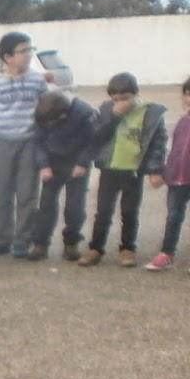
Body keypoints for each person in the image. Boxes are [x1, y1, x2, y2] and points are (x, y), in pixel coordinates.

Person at [79, 73, 168, 269]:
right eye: (116, 99)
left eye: (125, 98)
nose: (120, 103)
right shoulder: (106, 109)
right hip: (110, 168)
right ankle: (96, 248)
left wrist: (155, 169)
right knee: (103, 211)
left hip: (133, 171)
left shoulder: (150, 112)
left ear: (135, 94)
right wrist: (114, 116)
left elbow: (158, 143)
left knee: (129, 211)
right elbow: (97, 136)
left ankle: (127, 248)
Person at [0, 32, 47, 258]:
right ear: (7, 57)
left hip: (30, 142)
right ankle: (1, 239)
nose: (28, 55)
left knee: (27, 193)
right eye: (23, 51)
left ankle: (22, 240)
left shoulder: (37, 80)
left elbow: (45, 108)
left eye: (30, 50)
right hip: (2, 142)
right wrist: (2, 129)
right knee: (2, 193)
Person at [29, 93, 96, 263]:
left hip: (77, 162)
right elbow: (38, 141)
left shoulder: (85, 113)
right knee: (46, 204)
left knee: (75, 206)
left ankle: (71, 243)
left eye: (52, 122)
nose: (49, 125)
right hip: (52, 161)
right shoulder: (43, 114)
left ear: (63, 115)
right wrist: (44, 164)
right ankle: (40, 244)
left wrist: (83, 162)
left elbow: (93, 141)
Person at [144, 77, 190, 271]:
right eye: (188, 94)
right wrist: (164, 172)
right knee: (173, 217)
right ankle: (167, 252)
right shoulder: (183, 121)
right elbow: (176, 151)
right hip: (177, 179)